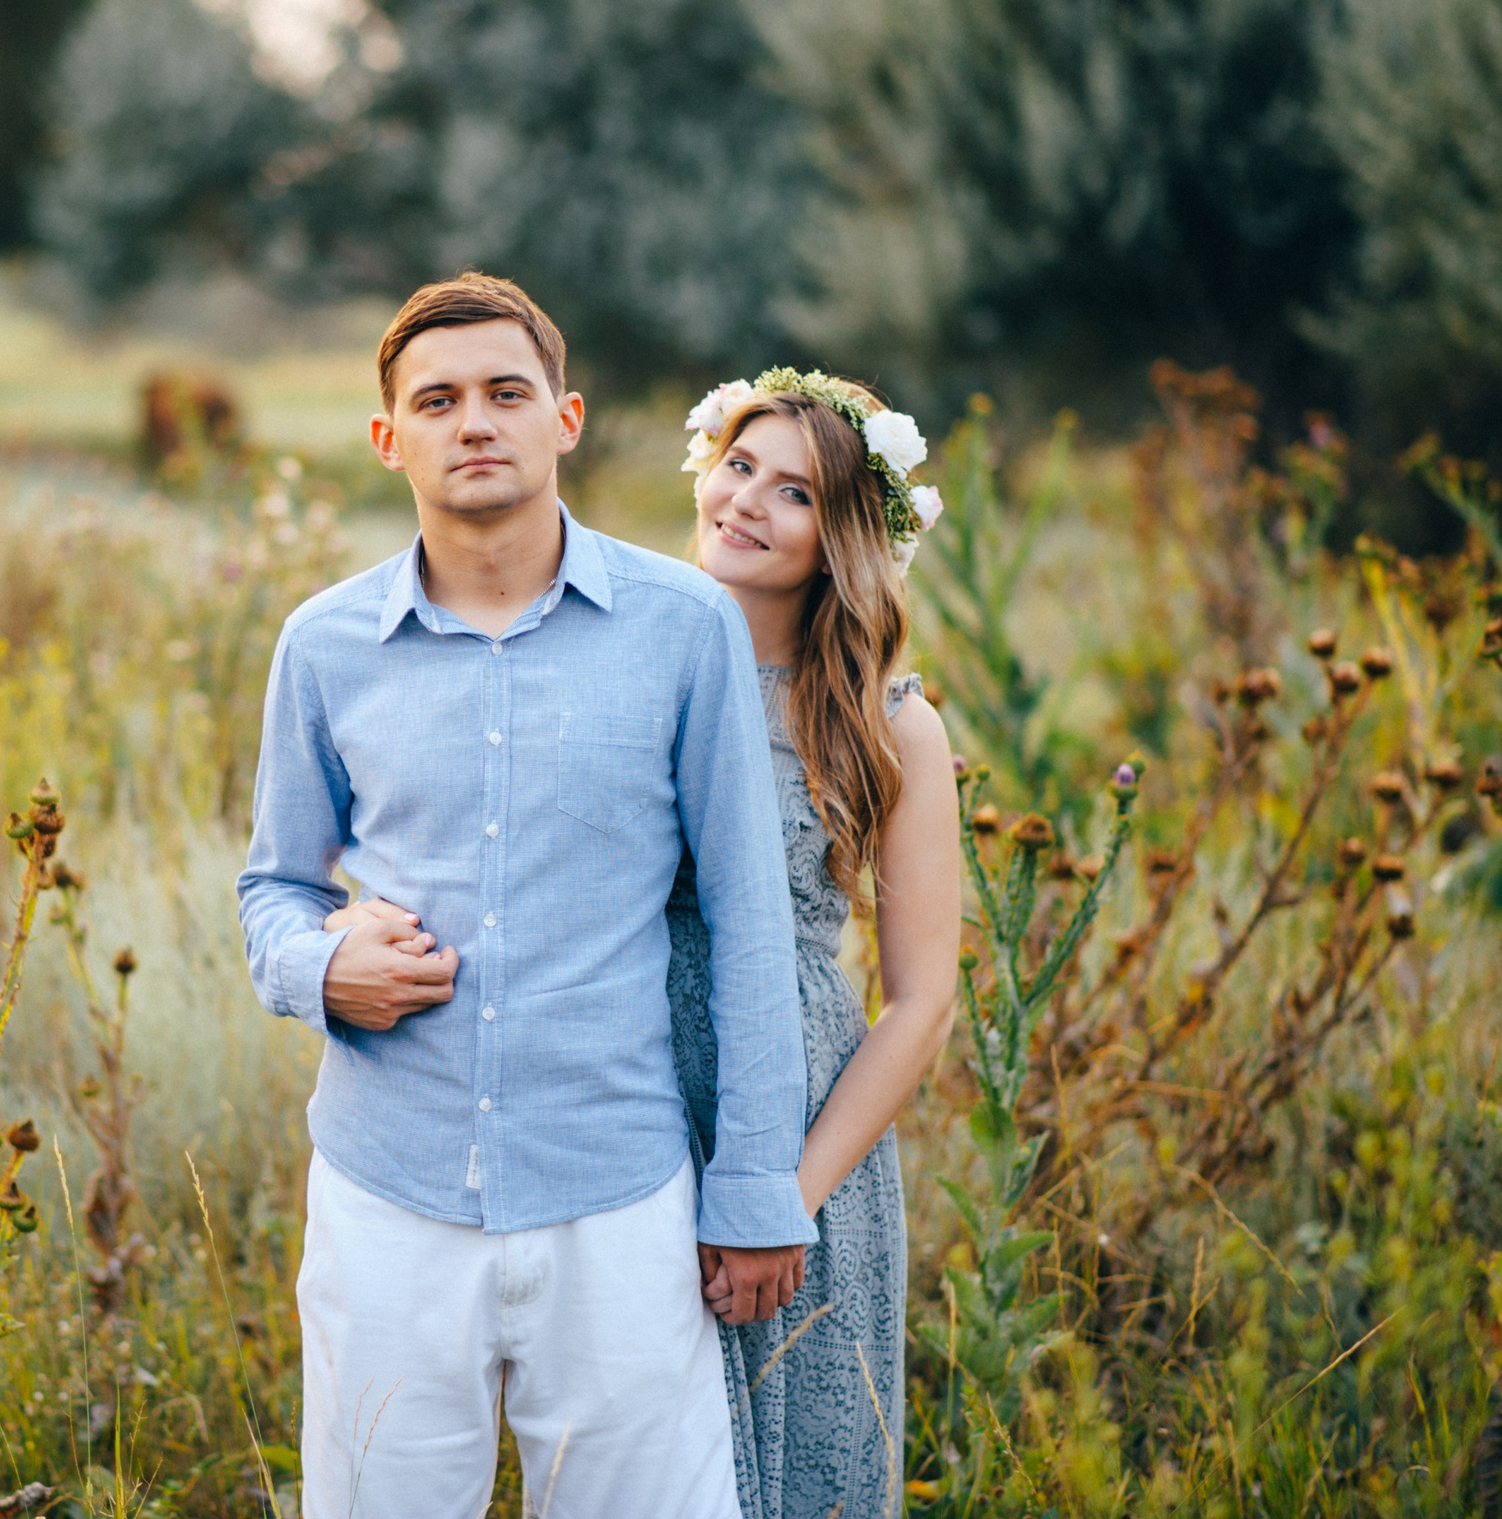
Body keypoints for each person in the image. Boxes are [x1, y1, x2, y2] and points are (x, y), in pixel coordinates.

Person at [236, 274, 815, 1519]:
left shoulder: (683, 628)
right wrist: (317, 969)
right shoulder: (323, 645)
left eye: (507, 391)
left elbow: (747, 921)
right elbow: (274, 886)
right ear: (390, 440)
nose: (474, 422)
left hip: (618, 1194)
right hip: (387, 1191)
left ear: (567, 417)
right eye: (435, 401)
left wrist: (756, 1187)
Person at [670, 370, 961, 1517]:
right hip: (619, 1102)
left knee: (797, 1467)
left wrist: (786, 1198)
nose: (745, 502)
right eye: (738, 466)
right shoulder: (622, 661)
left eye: (792, 493)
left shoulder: (889, 722)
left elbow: (921, 1000)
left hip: (795, 1124)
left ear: (843, 538)